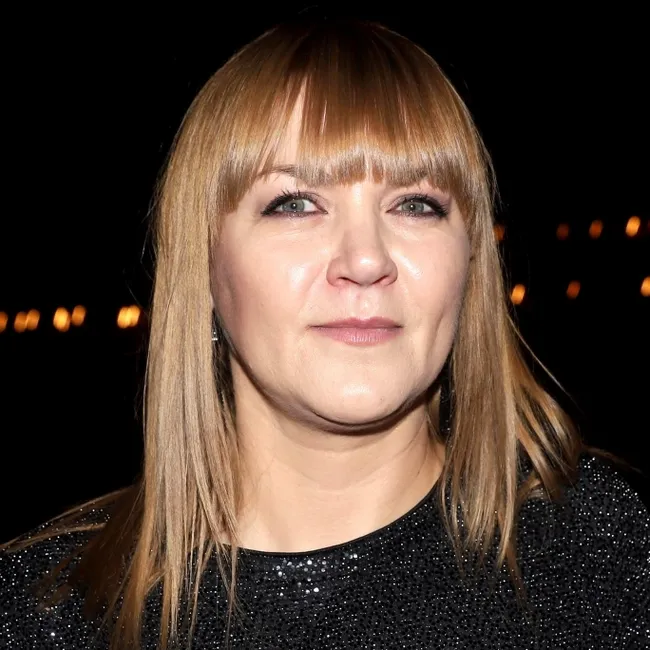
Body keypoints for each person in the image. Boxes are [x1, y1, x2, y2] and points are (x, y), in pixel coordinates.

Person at [1, 17, 648, 650]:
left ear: (471, 264)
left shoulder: (602, 551)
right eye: (295, 204)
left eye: (415, 204)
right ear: (204, 268)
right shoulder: (49, 612)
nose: (366, 260)